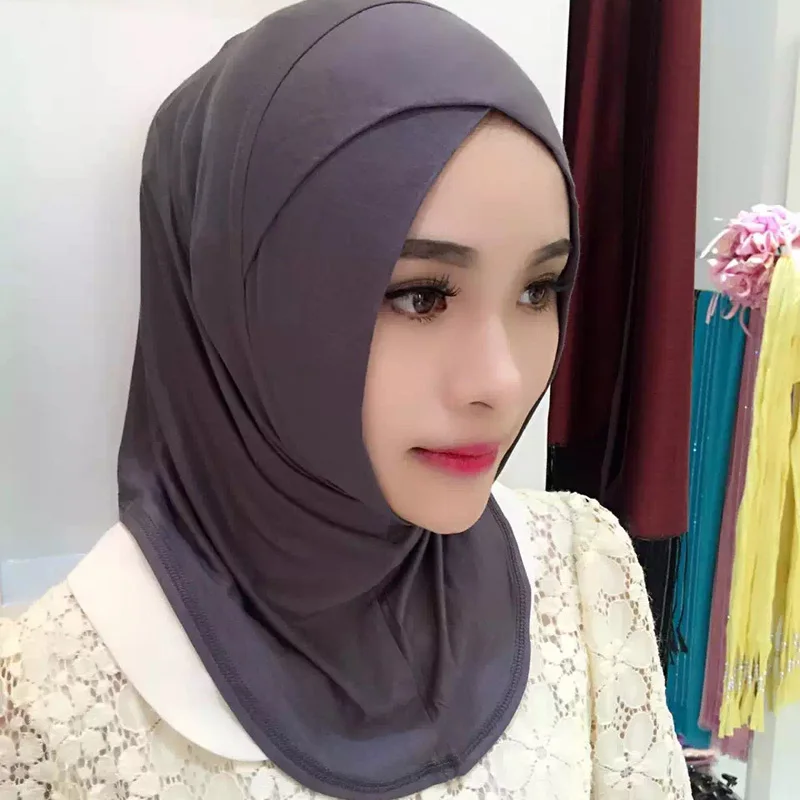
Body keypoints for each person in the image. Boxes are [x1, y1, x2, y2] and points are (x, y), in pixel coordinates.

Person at [0, 1, 691, 798]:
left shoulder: (580, 569)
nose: (502, 381)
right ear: (239, 304)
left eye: (539, 288)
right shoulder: (51, 701)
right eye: (421, 296)